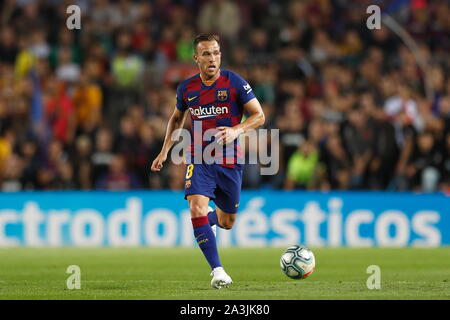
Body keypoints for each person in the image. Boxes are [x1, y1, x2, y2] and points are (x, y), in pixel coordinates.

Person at [151, 34, 265, 289]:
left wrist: (236, 130)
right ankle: (218, 271)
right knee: (196, 207)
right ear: (196, 58)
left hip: (230, 160)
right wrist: (165, 150)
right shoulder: (187, 88)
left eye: (216, 53)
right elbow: (176, 118)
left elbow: (259, 116)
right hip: (199, 158)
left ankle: (205, 223)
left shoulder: (234, 82)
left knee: (226, 222)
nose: (212, 58)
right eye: (206, 54)